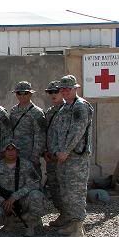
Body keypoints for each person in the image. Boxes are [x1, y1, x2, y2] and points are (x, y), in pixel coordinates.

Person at [51, 75, 94, 237]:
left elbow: (78, 131)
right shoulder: (64, 108)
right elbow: (55, 132)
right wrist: (56, 151)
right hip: (62, 158)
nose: (65, 92)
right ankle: (72, 223)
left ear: (75, 89)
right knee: (66, 191)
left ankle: (78, 229)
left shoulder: (80, 107)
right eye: (62, 89)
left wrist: (65, 151)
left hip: (76, 158)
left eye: (68, 89)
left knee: (76, 192)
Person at [0, 140, 45, 237]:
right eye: (7, 150)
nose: (10, 152)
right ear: (3, 152)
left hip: (23, 199)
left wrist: (15, 197)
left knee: (36, 196)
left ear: (17, 151)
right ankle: (10, 220)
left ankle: (30, 223)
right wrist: (2, 202)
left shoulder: (26, 165)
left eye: (13, 149)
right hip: (5, 201)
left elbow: (35, 184)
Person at [8, 81, 46, 174]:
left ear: (30, 94)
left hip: (30, 155)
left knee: (33, 182)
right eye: (19, 93)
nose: (22, 96)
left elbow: (40, 136)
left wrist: (35, 156)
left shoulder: (37, 113)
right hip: (15, 154)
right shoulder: (13, 111)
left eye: (25, 93)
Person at [43, 80, 65, 225]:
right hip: (51, 157)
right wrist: (45, 151)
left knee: (66, 187)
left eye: (55, 91)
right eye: (50, 92)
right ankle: (62, 214)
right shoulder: (50, 112)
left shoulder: (68, 109)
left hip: (64, 157)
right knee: (54, 186)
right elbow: (45, 133)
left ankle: (71, 218)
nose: (53, 95)